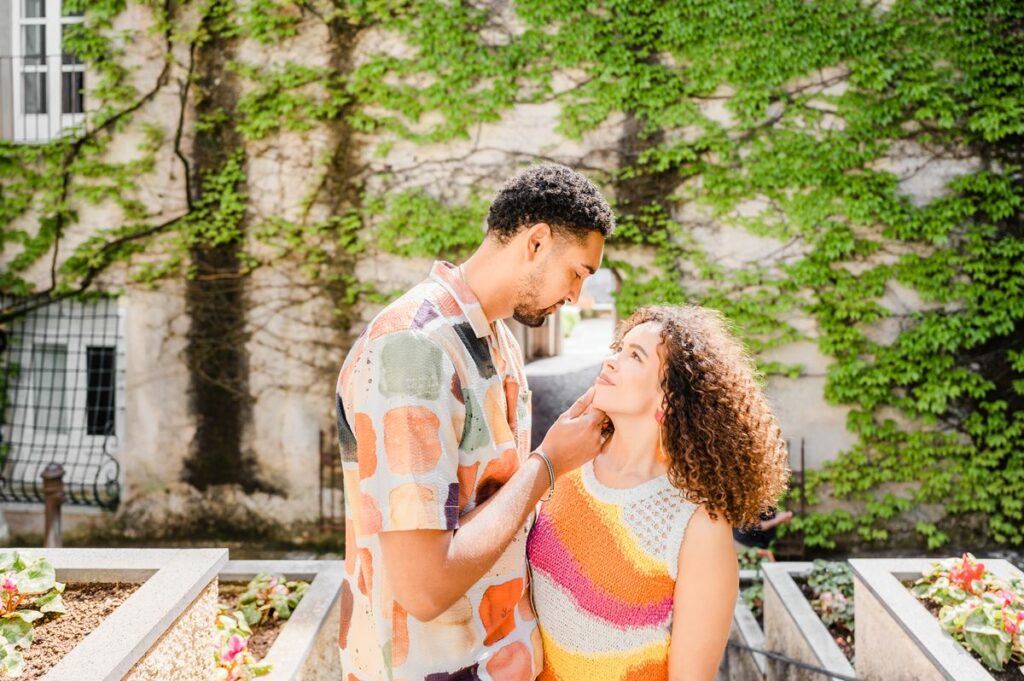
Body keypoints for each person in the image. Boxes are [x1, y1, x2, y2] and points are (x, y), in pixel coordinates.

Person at [335, 164, 614, 679]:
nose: (577, 295)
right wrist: (548, 464)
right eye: (578, 272)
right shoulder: (413, 349)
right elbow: (424, 587)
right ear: (536, 242)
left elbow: (496, 509)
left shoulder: (496, 338)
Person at [526, 305, 790, 680]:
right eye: (619, 348)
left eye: (635, 356)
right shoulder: (567, 462)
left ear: (670, 399)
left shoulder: (697, 524)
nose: (612, 360)